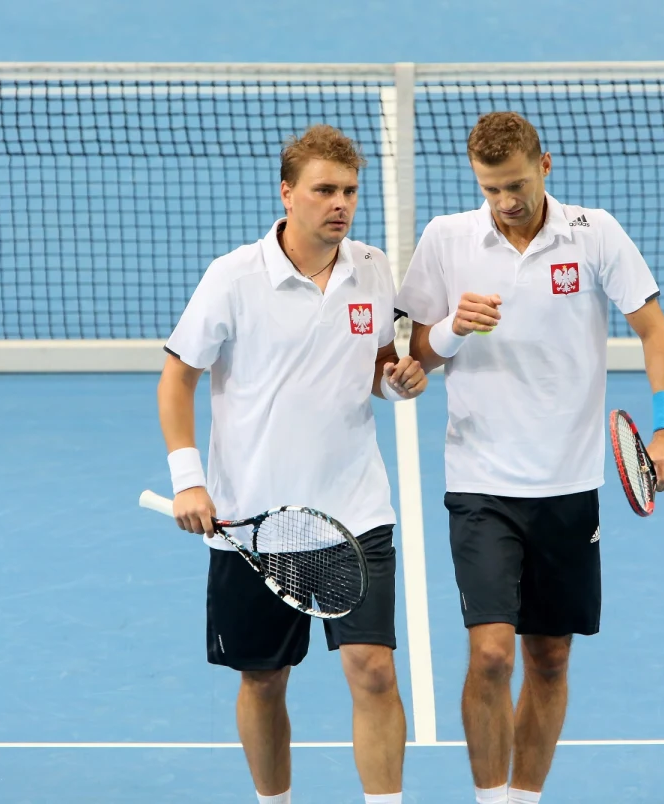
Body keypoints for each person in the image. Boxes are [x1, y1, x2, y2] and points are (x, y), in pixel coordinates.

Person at [396, 111, 664, 804]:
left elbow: (654, 331)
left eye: (517, 185)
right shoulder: (447, 240)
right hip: (480, 483)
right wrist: (450, 328)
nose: (505, 202)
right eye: (491, 189)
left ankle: (525, 797)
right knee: (491, 654)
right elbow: (410, 353)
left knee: (549, 658)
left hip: (569, 481)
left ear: (545, 165)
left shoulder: (594, 234)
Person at [157, 124, 426, 804]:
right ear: (288, 194)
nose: (340, 203)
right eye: (324, 190)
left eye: (349, 191)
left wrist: (398, 379)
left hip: (354, 510)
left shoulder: (371, 267)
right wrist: (189, 478)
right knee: (263, 679)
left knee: (372, 671)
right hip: (253, 519)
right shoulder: (232, 278)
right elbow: (176, 378)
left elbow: (375, 370)